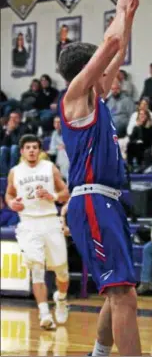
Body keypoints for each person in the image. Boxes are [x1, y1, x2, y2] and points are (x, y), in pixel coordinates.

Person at [58, 0, 141, 356]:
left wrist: (131, 15)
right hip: (91, 200)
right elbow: (111, 44)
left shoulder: (97, 99)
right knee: (123, 293)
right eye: (98, 67)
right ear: (86, 69)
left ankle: (99, 354)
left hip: (107, 200)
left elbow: (116, 50)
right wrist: (121, 9)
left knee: (117, 290)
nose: (106, 72)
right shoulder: (75, 96)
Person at [5, 134, 70, 329]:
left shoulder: (50, 168)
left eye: (35, 147)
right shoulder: (15, 172)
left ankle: (61, 297)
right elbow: (9, 193)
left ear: (40, 150)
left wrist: (53, 195)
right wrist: (11, 203)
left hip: (50, 221)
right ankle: (44, 314)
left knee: (62, 272)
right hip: (28, 223)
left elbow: (66, 192)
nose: (32, 150)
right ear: (22, 151)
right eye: (28, 147)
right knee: (37, 269)